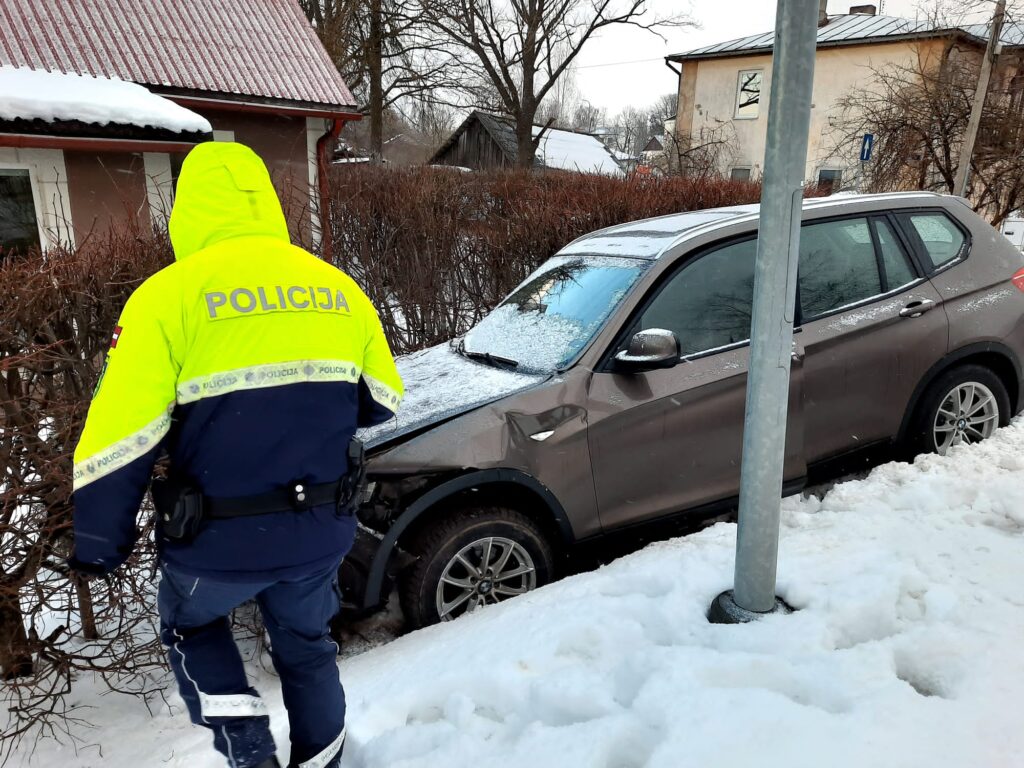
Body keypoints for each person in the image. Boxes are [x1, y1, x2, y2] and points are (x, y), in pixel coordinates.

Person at [69, 142, 403, 768]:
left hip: (218, 541)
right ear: (267, 206)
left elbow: (120, 440)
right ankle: (323, 759)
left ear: (187, 212)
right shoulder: (337, 289)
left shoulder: (166, 300)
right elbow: (381, 400)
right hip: (319, 533)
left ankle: (247, 747)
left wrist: (97, 544)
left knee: (190, 626)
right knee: (306, 649)